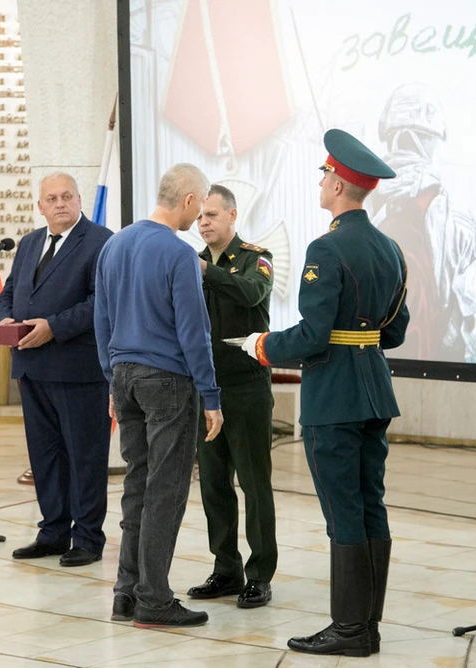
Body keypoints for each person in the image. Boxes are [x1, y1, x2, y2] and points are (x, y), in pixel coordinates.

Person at [241, 129, 409, 657]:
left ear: (337, 184)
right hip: (374, 390)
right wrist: (358, 338)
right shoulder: (389, 247)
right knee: (369, 504)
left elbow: (313, 336)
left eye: (323, 175)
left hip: (334, 395)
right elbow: (395, 331)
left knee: (342, 511)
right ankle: (368, 624)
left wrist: (262, 345)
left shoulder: (327, 246)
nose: (321, 182)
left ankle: (349, 630)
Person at [94, 163, 223, 628]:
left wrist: (111, 376)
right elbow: (194, 332)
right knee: (165, 491)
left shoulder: (114, 245)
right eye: (200, 203)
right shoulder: (179, 253)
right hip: (167, 381)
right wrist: (211, 395)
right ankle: (154, 598)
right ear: (188, 201)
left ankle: (125, 594)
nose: (200, 214)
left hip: (124, 377)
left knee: (136, 485)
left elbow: (102, 320)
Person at [0, 172, 113, 567]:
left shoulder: (100, 241)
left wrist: (54, 328)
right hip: (31, 366)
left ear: (79, 200)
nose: (60, 203)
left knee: (84, 456)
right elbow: (9, 291)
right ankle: (53, 532)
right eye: (52, 198)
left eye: (67, 196)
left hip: (77, 368)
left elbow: (101, 302)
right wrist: (6, 318)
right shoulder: (29, 243)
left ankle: (88, 538)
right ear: (40, 206)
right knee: (45, 456)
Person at [186, 184, 278, 609]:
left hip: (246, 387)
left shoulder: (256, 258)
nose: (204, 223)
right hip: (207, 390)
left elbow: (251, 294)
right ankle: (226, 570)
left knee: (254, 484)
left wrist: (210, 274)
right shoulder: (193, 263)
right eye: (200, 217)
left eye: (212, 216)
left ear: (232, 216)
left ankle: (260, 574)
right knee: (213, 484)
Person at [369, 82, 476, 362]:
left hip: (367, 366)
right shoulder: (458, 219)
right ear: (430, 138)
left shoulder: (355, 202)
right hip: (432, 370)